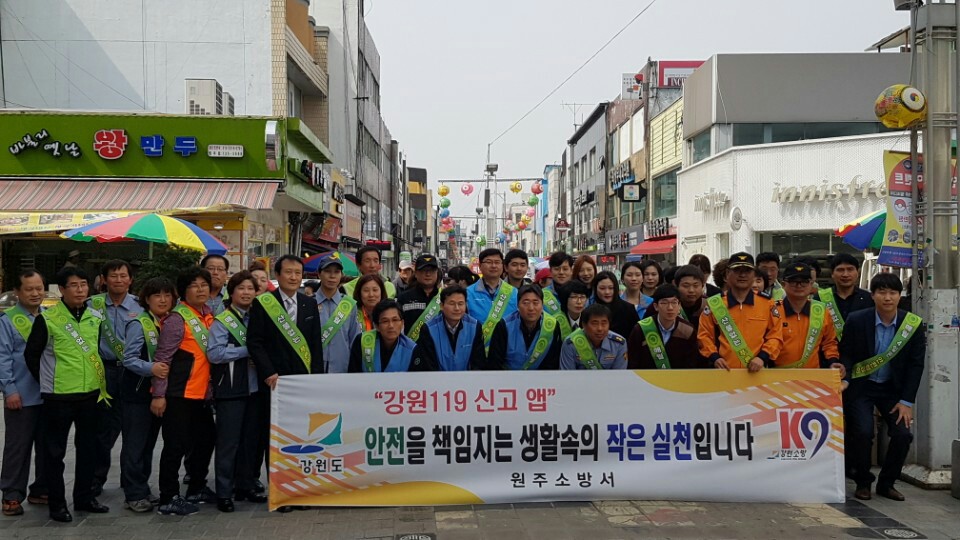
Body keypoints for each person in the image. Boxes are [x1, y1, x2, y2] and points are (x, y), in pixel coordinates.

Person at [24, 267, 110, 522]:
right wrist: (48, 381)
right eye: (74, 285)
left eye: (84, 284)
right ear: (61, 289)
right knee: (54, 453)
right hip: (58, 397)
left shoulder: (95, 317)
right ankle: (57, 504)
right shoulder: (48, 319)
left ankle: (84, 498)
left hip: (90, 395)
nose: (80, 290)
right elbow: (31, 355)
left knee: (89, 449)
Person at [247, 255, 323, 513]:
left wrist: (316, 378)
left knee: (302, 436)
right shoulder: (264, 303)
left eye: (297, 273)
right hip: (275, 382)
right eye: (288, 272)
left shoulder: (309, 304)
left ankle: (300, 489)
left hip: (302, 383)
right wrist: (268, 372)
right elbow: (255, 342)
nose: (293, 277)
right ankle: (281, 493)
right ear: (277, 276)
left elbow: (315, 345)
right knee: (277, 438)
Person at [841, 273, 925, 502]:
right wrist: (845, 376)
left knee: (902, 435)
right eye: (882, 292)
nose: (887, 297)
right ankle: (863, 482)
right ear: (873, 295)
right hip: (862, 386)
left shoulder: (912, 325)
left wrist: (906, 401)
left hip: (892, 390)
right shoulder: (857, 320)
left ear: (900, 296)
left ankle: (887, 483)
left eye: (892, 292)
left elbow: (916, 365)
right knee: (862, 432)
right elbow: (846, 353)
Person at [150, 267, 216, 516]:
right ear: (183, 291)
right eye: (194, 285)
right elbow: (163, 359)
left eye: (204, 285)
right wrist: (159, 395)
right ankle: (168, 497)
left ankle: (196, 488)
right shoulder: (177, 320)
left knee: (206, 440)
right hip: (179, 394)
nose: (200, 289)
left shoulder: (208, 315)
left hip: (202, 395)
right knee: (175, 446)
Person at [207, 271, 267, 513]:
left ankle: (246, 485)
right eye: (241, 288)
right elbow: (215, 353)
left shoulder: (258, 317)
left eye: (250, 288)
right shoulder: (223, 320)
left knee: (250, 442)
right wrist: (247, 351)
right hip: (231, 390)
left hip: (255, 390)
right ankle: (224, 492)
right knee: (228, 443)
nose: (246, 293)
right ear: (231, 292)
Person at [118, 277, 174, 513]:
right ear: (147, 299)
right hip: (137, 392)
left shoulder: (168, 322)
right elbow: (128, 358)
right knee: (135, 444)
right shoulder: (139, 323)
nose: (163, 300)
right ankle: (133, 493)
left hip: (157, 393)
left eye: (167, 295)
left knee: (149, 444)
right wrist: (151, 368)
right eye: (157, 295)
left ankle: (142, 488)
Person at [88, 259, 141, 497]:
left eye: (123, 275)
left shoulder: (140, 306)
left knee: (133, 428)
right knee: (103, 430)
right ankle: (95, 480)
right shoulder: (93, 305)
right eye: (113, 276)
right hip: (104, 371)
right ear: (104, 280)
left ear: (130, 280)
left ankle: (130, 481)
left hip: (133, 372)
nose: (118, 280)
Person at [0, 270, 49, 516]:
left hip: (49, 394)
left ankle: (41, 489)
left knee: (48, 446)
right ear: (17, 292)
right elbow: (2, 358)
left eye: (39, 288)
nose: (35, 293)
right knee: (17, 447)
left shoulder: (50, 317)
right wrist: (9, 390)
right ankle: (11, 494)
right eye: (29, 289)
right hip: (22, 395)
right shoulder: (7, 321)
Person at [698, 252, 783, 372]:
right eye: (737, 270)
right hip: (723, 372)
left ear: (754, 274)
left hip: (757, 373)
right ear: (727, 274)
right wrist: (714, 357)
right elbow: (704, 335)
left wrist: (762, 357)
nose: (742, 275)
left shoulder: (767, 303)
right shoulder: (715, 304)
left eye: (747, 271)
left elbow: (776, 335)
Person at [773, 263, 843, 373]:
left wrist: (832, 361)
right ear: (783, 284)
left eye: (804, 281)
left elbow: (829, 343)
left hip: (812, 376)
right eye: (793, 281)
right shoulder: (773, 311)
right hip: (777, 375)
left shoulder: (821, 311)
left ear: (811, 284)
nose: (799, 285)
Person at [488, 285, 562, 370]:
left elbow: (553, 362)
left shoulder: (552, 326)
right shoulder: (504, 325)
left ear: (542, 306)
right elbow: (495, 362)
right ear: (518, 306)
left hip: (541, 377)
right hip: (508, 376)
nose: (531, 308)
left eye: (536, 303)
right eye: (526, 303)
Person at [628, 284, 702, 369]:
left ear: (679, 306)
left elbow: (692, 363)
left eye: (674, 302)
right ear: (656, 306)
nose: (670, 308)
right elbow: (633, 361)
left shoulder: (688, 330)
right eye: (664, 303)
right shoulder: (641, 329)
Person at [349, 300, 433, 372]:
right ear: (377, 326)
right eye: (385, 321)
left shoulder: (412, 349)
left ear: (402, 323)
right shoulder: (362, 341)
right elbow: (353, 375)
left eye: (395, 320)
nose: (391, 326)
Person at [416, 286, 486, 371]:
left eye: (460, 304)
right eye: (452, 303)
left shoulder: (474, 326)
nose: (457, 308)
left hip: (468, 378)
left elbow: (478, 363)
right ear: (442, 306)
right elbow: (428, 364)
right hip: (437, 378)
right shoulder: (428, 329)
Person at [314, 254, 361, 374]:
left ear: (341, 275)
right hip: (314, 370)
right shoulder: (309, 303)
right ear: (319, 274)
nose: (332, 276)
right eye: (327, 271)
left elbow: (354, 339)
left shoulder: (349, 305)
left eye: (336, 272)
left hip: (342, 370)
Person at [468, 248, 519, 351]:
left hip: (508, 349)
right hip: (477, 350)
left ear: (502, 266)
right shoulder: (468, 293)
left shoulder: (514, 292)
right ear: (480, 266)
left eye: (497, 262)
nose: (493, 266)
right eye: (489, 262)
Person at [814, 253, 873, 341]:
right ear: (832, 274)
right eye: (840, 270)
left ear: (857, 272)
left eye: (850, 269)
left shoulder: (869, 298)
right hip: (828, 347)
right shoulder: (820, 298)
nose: (845, 274)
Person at [559, 304, 627, 370]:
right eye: (595, 323)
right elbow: (567, 375)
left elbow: (619, 375)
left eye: (604, 323)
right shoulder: (571, 343)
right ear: (584, 325)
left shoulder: (619, 343)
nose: (600, 328)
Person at [397, 254, 442, 339]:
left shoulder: (444, 297)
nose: (428, 274)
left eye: (432, 270)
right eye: (424, 270)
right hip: (412, 345)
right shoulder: (404, 298)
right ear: (416, 273)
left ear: (437, 273)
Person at [590, 271, 641, 341]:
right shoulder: (590, 311)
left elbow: (637, 336)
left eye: (611, 288)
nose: (607, 292)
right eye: (602, 288)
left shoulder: (628, 309)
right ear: (595, 289)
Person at [673, 265, 708, 333]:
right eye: (686, 286)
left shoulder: (711, 305)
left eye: (696, 285)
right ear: (676, 286)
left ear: (702, 286)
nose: (691, 290)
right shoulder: (669, 304)